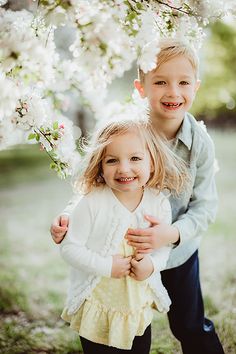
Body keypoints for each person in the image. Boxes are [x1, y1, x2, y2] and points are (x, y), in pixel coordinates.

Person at [51, 39, 224, 354]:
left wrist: (170, 233)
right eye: (160, 82)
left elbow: (206, 207)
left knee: (188, 323)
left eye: (183, 82)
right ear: (141, 87)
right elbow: (91, 181)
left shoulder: (199, 143)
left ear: (196, 87)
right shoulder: (123, 129)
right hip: (124, 254)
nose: (172, 91)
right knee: (127, 323)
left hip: (177, 252)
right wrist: (67, 216)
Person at [58, 115, 189, 354]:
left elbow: (162, 248)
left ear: (153, 161)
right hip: (99, 304)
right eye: (112, 160)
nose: (124, 169)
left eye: (135, 158)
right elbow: (69, 248)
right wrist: (107, 266)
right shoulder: (92, 202)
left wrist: (151, 264)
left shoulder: (157, 202)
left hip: (135, 304)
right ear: (100, 164)